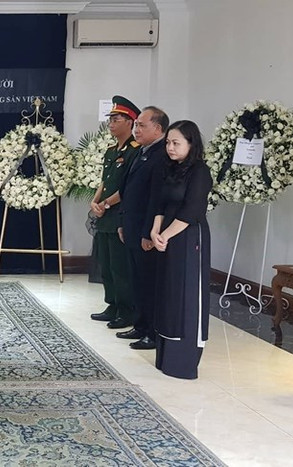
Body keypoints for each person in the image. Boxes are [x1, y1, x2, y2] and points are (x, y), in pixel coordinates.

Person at [149, 121, 213, 379]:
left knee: (185, 294)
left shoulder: (200, 171)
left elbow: (192, 210)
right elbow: (160, 202)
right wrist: (155, 231)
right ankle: (165, 355)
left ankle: (183, 360)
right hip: (166, 236)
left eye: (176, 143)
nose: (170, 147)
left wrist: (164, 235)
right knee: (168, 292)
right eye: (168, 143)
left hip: (187, 238)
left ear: (191, 144)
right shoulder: (171, 168)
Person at [116, 106, 169, 350]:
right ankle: (140, 324)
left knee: (148, 281)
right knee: (136, 279)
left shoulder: (161, 155)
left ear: (158, 129)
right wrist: (122, 222)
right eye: (136, 125)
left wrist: (149, 233)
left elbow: (156, 199)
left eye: (142, 125)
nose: (136, 129)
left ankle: (152, 331)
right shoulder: (142, 152)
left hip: (145, 231)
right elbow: (128, 191)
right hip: (131, 226)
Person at [89, 95, 141, 330]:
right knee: (107, 264)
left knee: (121, 267)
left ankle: (126, 309)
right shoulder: (111, 151)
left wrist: (106, 204)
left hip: (120, 214)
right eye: (110, 119)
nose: (110, 123)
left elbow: (127, 187)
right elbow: (105, 181)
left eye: (116, 119)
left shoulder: (134, 151)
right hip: (104, 215)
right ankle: (112, 304)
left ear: (130, 121)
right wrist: (95, 201)